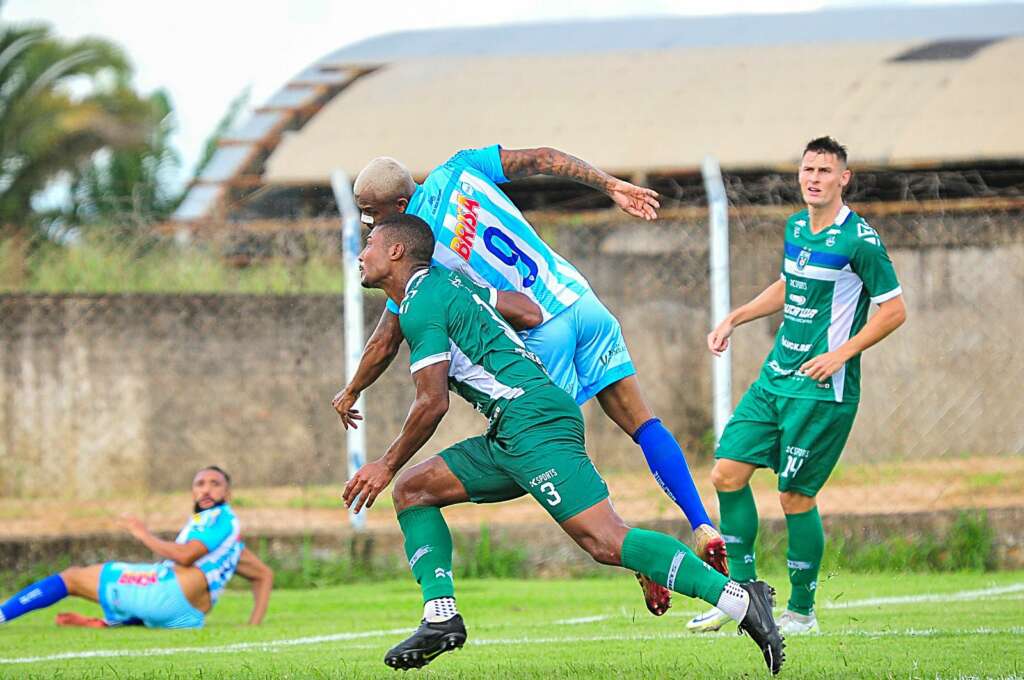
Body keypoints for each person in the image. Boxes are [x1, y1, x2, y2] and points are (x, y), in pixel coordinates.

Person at [341, 213, 785, 673]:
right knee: (414, 491)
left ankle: (740, 598)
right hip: (512, 427)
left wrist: (384, 463)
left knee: (605, 541)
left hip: (533, 422)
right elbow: (527, 311)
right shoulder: (448, 283)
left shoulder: (420, 303)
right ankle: (441, 618)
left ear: (396, 252)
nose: (361, 253)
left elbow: (432, 402)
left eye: (369, 242)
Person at [332, 145, 727, 615]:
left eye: (370, 215)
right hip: (580, 299)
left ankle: (636, 553)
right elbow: (540, 158)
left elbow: (386, 338)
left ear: (397, 209)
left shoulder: (414, 247)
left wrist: (354, 388)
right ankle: (701, 521)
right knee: (642, 423)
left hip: (541, 330)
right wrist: (611, 185)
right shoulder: (460, 167)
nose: (367, 227)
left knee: (550, 450)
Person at [687, 137, 907, 636]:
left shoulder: (860, 241)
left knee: (794, 497)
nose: (813, 178)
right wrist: (736, 317)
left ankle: (802, 612)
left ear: (843, 178)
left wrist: (840, 354)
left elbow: (894, 309)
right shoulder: (796, 228)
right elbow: (792, 284)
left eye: (824, 170)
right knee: (726, 473)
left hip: (820, 389)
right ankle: (739, 598)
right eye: (807, 169)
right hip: (776, 377)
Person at [0, 466, 274, 629]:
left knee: (71, 577)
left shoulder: (219, 518)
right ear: (191, 491)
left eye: (215, 484)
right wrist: (254, 626)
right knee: (130, 584)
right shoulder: (229, 542)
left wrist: (142, 533)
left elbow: (186, 555)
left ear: (228, 494)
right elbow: (264, 575)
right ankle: (114, 621)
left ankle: (2, 614)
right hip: (188, 618)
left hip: (169, 594)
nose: (206, 490)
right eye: (199, 484)